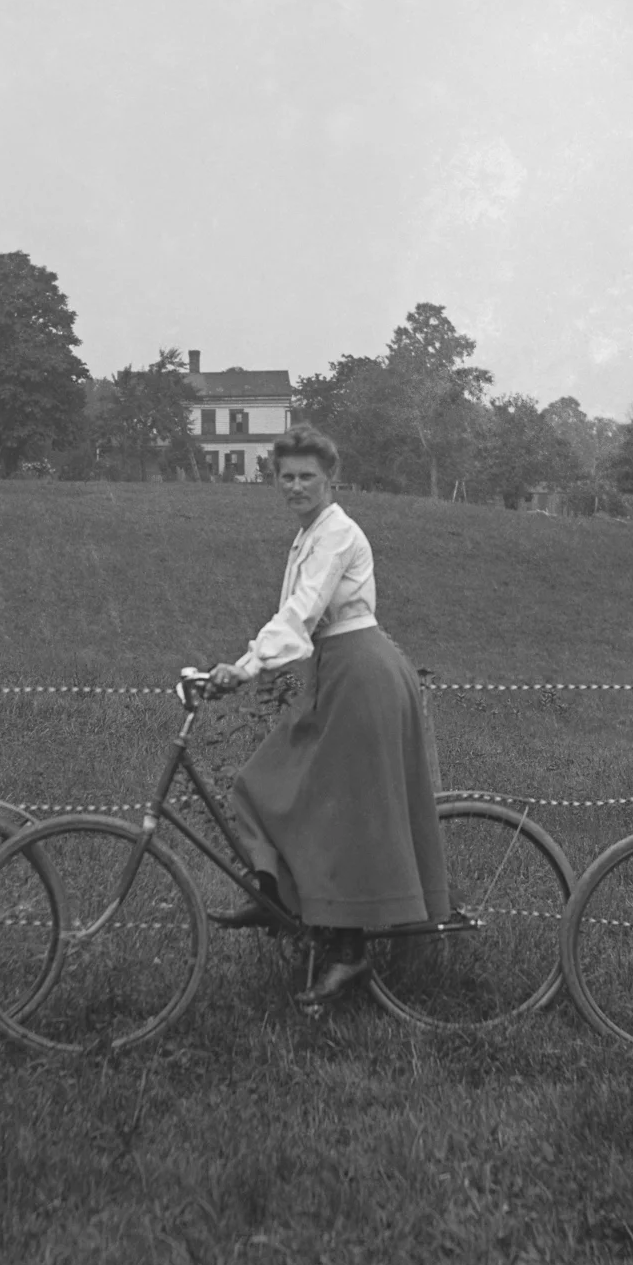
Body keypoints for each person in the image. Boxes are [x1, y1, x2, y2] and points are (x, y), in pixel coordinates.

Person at [207, 425, 449, 1005]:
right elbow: (297, 615)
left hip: (361, 673)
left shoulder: (336, 532)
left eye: (306, 477)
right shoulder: (308, 534)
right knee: (264, 783)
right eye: (285, 477)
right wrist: (248, 663)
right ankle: (277, 898)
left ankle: (349, 952)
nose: (295, 486)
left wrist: (246, 668)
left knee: (344, 809)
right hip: (335, 672)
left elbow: (303, 609)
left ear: (330, 479)